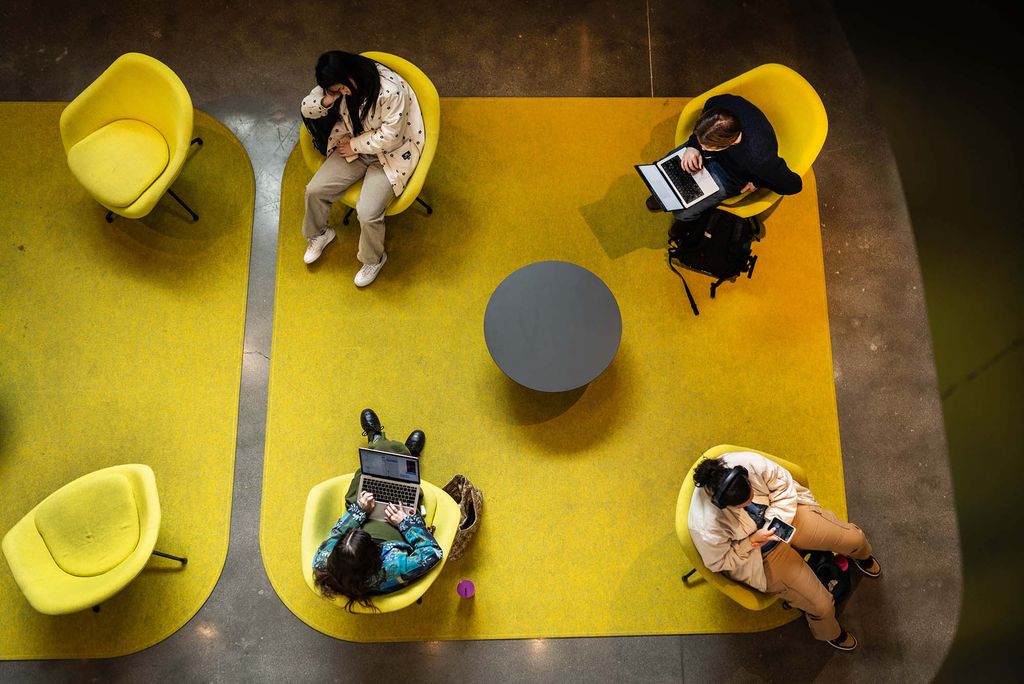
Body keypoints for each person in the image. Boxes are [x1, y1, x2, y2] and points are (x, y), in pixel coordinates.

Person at [688, 450, 881, 651]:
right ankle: (831, 633)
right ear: (723, 505)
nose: (749, 503)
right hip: (759, 554)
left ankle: (861, 556)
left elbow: (782, 484)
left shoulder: (749, 463)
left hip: (783, 515)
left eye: (751, 497)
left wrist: (774, 520)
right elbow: (720, 562)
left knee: (854, 538)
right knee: (822, 606)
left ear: (743, 474)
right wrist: (751, 541)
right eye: (741, 505)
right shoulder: (705, 526)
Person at [299, 51, 425, 287]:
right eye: (335, 90)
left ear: (349, 75)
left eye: (340, 89)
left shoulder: (389, 91)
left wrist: (355, 146)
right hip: (353, 145)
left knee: (367, 212)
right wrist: (327, 98)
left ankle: (373, 259)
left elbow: (392, 138)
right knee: (315, 190)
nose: (341, 94)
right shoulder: (338, 82)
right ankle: (319, 235)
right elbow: (306, 108)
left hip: (391, 155)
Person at [312, 408, 439, 611]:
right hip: (394, 535)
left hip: (364, 522)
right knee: (404, 494)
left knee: (365, 480)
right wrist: (404, 523)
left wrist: (359, 511)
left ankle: (379, 443)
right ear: (375, 555)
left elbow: (337, 533)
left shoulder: (323, 563)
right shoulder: (392, 566)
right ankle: (404, 456)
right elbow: (432, 552)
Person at [648, 94, 801, 222]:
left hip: (730, 175)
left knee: (682, 214)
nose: (703, 147)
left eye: (706, 146)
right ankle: (664, 195)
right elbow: (707, 108)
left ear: (729, 143)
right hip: (723, 154)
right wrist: (693, 145)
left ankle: (696, 214)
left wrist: (758, 182)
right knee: (667, 165)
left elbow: (793, 185)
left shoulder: (758, 157)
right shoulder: (719, 106)